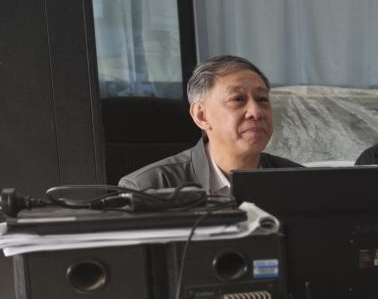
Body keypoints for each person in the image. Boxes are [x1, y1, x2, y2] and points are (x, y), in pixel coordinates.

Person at [118, 55, 299, 197]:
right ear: (201, 115)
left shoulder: (299, 180)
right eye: (238, 99)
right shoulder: (147, 188)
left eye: (262, 100)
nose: (256, 112)